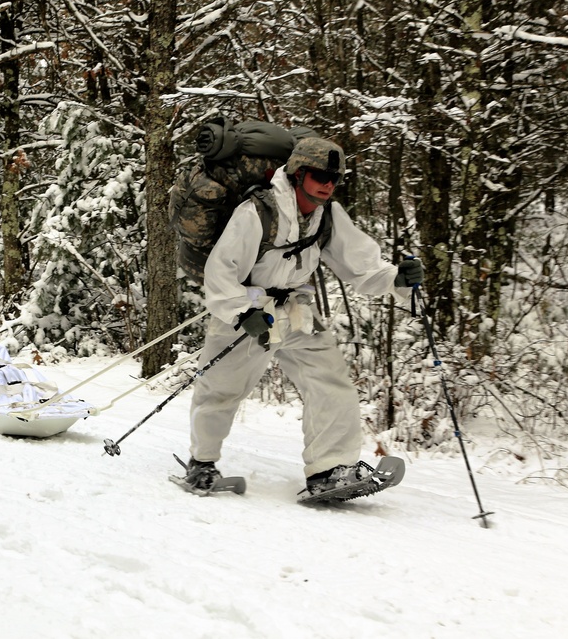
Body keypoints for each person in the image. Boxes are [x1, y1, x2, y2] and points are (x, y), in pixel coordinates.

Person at [182, 137, 424, 496]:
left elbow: (362, 267)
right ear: (297, 174)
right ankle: (201, 464)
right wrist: (241, 312)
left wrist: (396, 279)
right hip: (248, 311)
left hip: (294, 310)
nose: (327, 184)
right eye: (319, 175)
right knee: (221, 389)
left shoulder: (328, 216)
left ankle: (330, 469)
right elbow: (221, 271)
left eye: (334, 178)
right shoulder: (256, 212)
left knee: (329, 379)